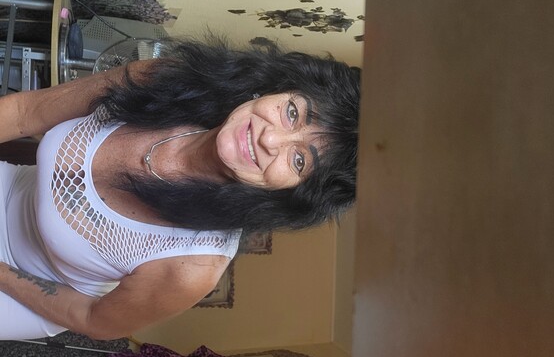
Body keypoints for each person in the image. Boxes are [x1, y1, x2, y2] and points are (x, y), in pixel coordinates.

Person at [0, 38, 361, 340]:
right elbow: (25, 112)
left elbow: (94, 319)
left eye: (299, 160)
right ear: (278, 88)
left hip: (26, 293)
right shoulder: (160, 81)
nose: (270, 138)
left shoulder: (194, 266)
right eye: (293, 113)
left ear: (292, 193)